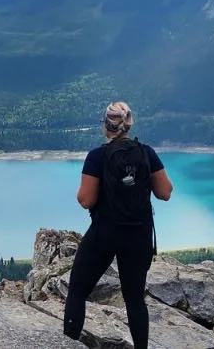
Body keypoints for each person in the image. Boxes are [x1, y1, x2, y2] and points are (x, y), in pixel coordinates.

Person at [62, 101, 174, 348]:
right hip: (139, 234)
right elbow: (165, 192)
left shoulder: (97, 156)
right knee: (134, 299)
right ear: (129, 124)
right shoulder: (146, 153)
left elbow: (85, 199)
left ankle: (68, 343)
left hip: (106, 232)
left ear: (106, 126)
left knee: (78, 290)